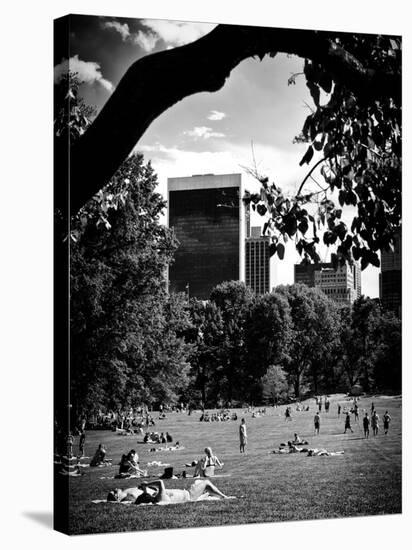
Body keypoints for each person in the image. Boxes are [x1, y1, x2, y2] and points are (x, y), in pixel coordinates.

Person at [135, 478, 234, 505]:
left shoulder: (156, 496)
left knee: (198, 482)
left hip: (187, 493)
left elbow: (147, 494)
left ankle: (215, 494)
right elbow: (160, 482)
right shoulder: (160, 498)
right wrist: (147, 484)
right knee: (206, 482)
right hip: (188, 495)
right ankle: (224, 496)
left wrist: (144, 489)